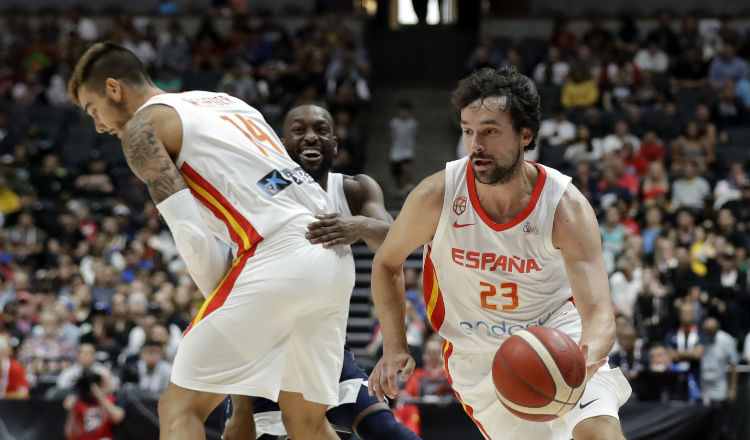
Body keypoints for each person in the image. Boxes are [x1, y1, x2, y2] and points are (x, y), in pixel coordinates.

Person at [67, 42, 355, 439]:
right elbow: (273, 180)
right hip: (333, 253)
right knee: (306, 422)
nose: (98, 125)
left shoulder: (141, 130)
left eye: (92, 109)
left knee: (179, 406)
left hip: (277, 251)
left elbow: (192, 236)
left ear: (114, 88)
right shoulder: (226, 102)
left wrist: (221, 302)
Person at [367, 66, 631, 440]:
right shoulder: (435, 196)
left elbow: (599, 313)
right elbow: (387, 263)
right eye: (468, 130)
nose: (476, 144)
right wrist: (394, 346)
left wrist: (580, 362)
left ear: (525, 135)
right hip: (480, 357)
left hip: (558, 335)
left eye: (490, 131)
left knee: (598, 432)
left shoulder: (564, 207)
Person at [222, 104, 420, 440]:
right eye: (299, 129)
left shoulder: (354, 188)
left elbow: (398, 241)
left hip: (325, 350)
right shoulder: (262, 190)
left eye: (321, 129)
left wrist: (359, 225)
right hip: (268, 357)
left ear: (335, 144)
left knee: (387, 432)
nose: (311, 135)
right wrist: (240, 401)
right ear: (281, 144)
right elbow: (233, 284)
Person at [63, 371, 124, 440]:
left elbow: (118, 417)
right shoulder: (78, 402)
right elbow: (71, 435)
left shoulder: (109, 399)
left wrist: (99, 396)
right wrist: (72, 411)